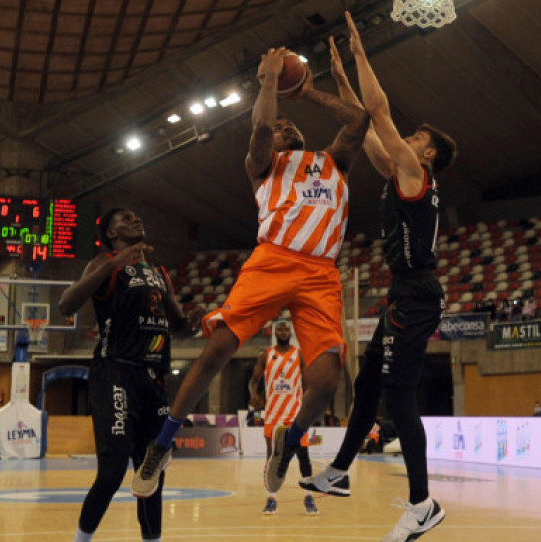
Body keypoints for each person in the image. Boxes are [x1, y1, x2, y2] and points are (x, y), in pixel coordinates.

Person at [131, 47, 370, 498]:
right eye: (280, 127)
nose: (285, 126)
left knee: (325, 382)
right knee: (218, 350)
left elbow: (359, 121)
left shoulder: (332, 160)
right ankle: (161, 445)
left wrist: (308, 91)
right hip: (273, 259)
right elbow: (261, 126)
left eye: (289, 123)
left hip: (321, 272)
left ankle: (288, 441)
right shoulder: (262, 166)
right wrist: (269, 83)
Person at [298, 15, 455, 541]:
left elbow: (381, 112)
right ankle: (340, 471)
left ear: (426, 154)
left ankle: (421, 504)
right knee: (367, 381)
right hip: (402, 295)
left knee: (399, 394)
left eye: (415, 138)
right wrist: (342, 79)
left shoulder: (415, 174)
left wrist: (363, 53)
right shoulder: (398, 174)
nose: (406, 139)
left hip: (417, 294)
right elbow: (368, 125)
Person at [58, 208, 203, 542]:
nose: (136, 219)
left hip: (153, 377)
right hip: (116, 373)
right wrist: (114, 262)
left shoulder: (158, 271)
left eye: (137, 216)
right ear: (111, 234)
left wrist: (192, 324)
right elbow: (66, 305)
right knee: (111, 474)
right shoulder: (103, 262)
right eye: (124, 218)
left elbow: (178, 326)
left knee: (151, 475)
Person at [247, 321, 318, 515]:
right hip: (273, 414)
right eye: (280, 328)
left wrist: (307, 403)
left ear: (291, 333)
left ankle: (309, 497)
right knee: (271, 457)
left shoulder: (299, 354)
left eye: (287, 329)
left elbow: (308, 384)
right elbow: (253, 381)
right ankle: (271, 499)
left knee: (304, 456)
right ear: (274, 332)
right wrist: (253, 393)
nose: (283, 331)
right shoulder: (266, 356)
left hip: (295, 415)